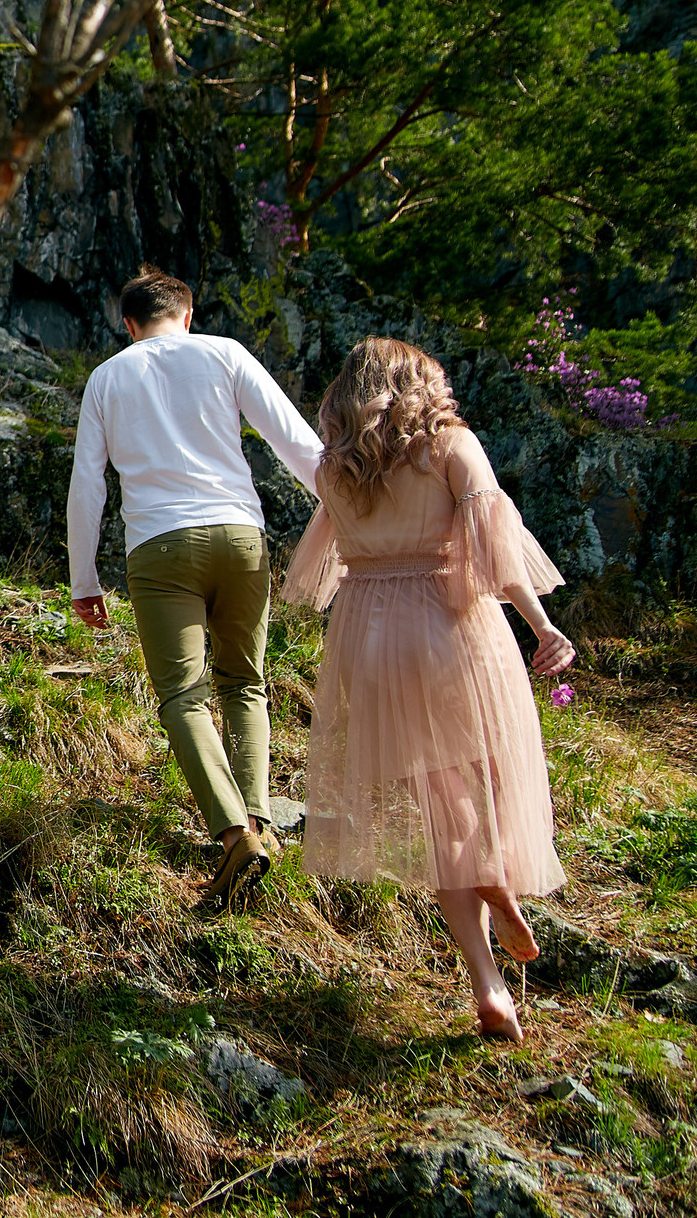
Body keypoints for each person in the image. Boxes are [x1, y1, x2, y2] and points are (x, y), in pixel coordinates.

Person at [283, 337, 573, 1041]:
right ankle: (496, 877)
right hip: (447, 626)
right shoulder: (449, 446)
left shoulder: (335, 467)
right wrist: (542, 625)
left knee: (440, 805)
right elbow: (495, 547)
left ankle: (488, 983)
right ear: (418, 383)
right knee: (483, 780)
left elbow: (317, 570)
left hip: (366, 637)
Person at [67, 267, 324, 910]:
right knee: (247, 681)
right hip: (241, 536)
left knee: (183, 694)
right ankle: (260, 817)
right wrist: (352, 514)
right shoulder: (224, 352)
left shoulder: (106, 378)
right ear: (188, 315)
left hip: (159, 548)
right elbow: (295, 442)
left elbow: (87, 486)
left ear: (128, 326)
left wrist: (84, 577)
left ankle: (235, 834)